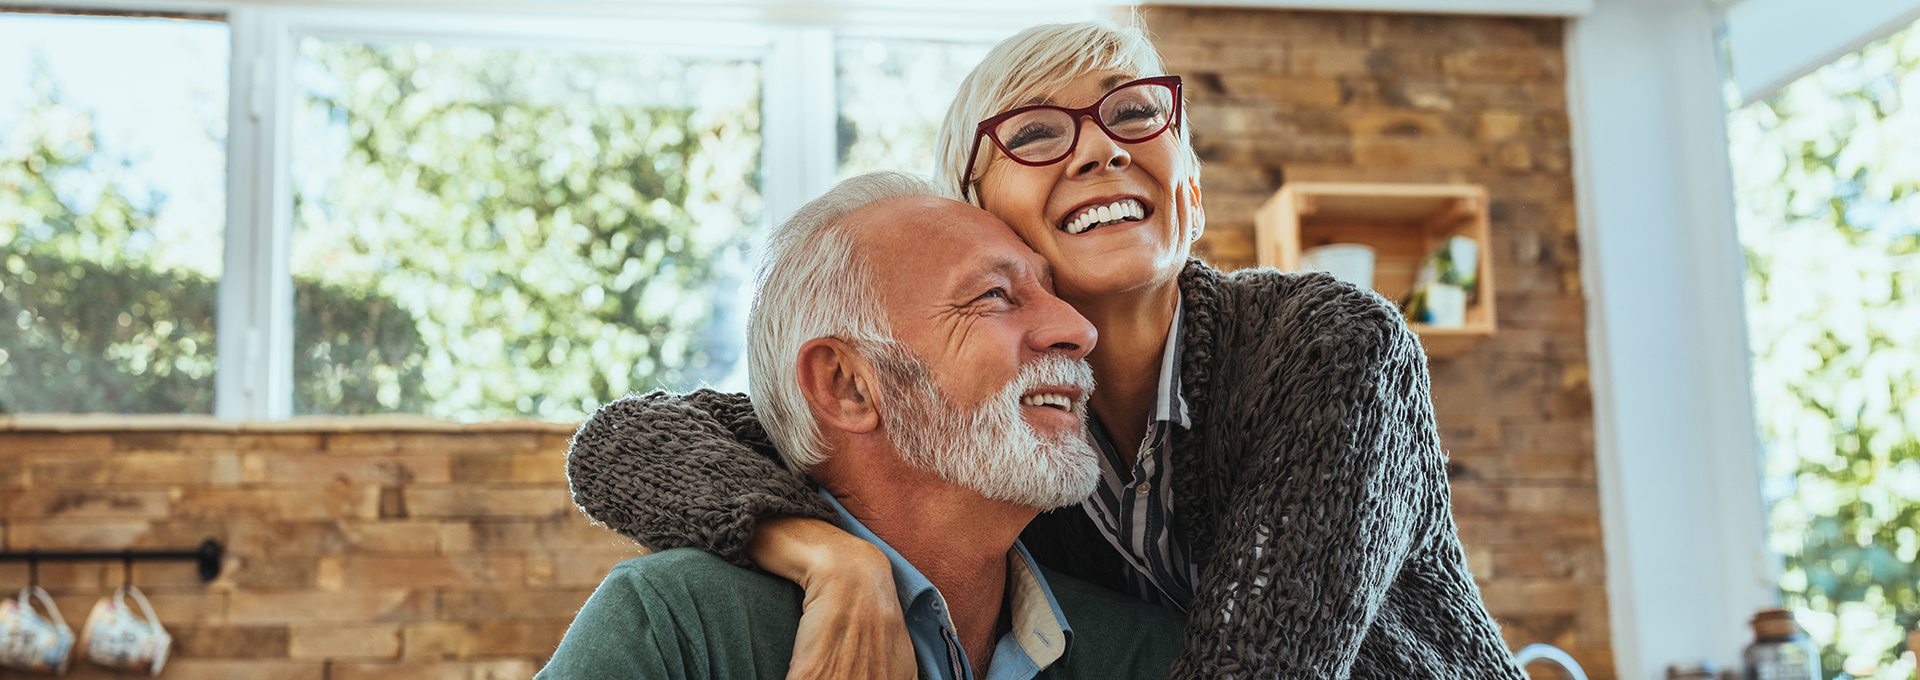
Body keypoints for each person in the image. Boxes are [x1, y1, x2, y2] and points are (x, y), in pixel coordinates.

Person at [566, 20, 1528, 680]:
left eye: (1136, 113)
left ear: (1190, 194)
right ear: (981, 221)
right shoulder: (996, 436)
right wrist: (829, 556)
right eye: (1034, 132)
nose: (1099, 149)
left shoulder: (1327, 347)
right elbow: (626, 443)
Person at [547, 172, 1186, 680]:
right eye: (993, 295)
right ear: (849, 386)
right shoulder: (675, 627)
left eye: (1055, 293)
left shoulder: (1150, 653)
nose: (1079, 330)